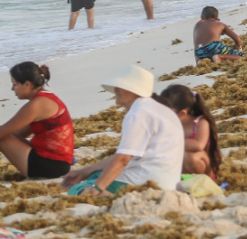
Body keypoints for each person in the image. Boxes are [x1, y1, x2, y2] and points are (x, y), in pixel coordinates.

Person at [61, 65, 184, 196]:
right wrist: (84, 172)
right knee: (96, 174)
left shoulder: (137, 113)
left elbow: (123, 159)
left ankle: (106, 194)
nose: (116, 90)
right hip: (168, 183)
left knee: (77, 190)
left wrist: (96, 189)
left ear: (135, 91)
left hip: (145, 184)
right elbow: (127, 156)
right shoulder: (158, 109)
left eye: (122, 86)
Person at [158, 84, 222, 178]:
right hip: (177, 171)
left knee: (189, 156)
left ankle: (198, 181)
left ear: (182, 113)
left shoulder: (201, 122)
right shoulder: (168, 124)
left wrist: (171, 141)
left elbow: (198, 145)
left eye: (167, 111)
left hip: (202, 170)